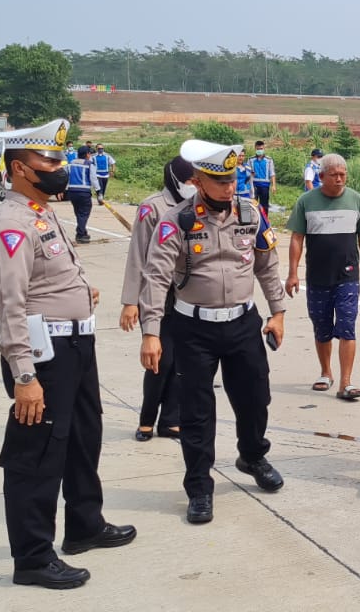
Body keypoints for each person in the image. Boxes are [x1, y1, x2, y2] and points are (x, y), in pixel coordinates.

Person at [0, 118, 135, 590]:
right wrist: (24, 376)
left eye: (60, 159)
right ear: (21, 169)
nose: (59, 167)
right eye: (49, 160)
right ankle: (31, 556)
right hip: (43, 354)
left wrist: (81, 290)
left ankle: (85, 523)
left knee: (84, 438)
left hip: (75, 345)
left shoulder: (41, 214)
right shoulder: (11, 224)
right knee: (38, 454)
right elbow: (10, 305)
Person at [138, 139, 288, 524]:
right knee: (196, 412)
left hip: (242, 324)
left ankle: (252, 456)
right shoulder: (177, 219)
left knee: (256, 398)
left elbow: (267, 265)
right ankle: (199, 487)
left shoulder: (251, 213)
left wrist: (278, 312)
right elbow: (155, 276)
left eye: (232, 179)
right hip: (192, 328)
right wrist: (151, 331)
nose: (228, 187)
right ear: (199, 181)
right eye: (219, 181)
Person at [119, 157, 196, 443]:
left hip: (186, 296)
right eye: (189, 181)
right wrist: (130, 301)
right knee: (158, 361)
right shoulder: (152, 207)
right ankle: (147, 419)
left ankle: (170, 420)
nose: (193, 186)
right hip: (155, 297)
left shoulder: (195, 207)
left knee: (180, 363)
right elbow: (138, 255)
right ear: (175, 179)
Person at [284, 153, 360, 401]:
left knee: (347, 326)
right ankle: (326, 372)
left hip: (348, 276)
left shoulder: (356, 200)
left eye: (343, 174)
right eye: (334, 175)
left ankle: (346, 382)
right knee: (321, 327)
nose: (339, 179)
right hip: (317, 276)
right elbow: (297, 239)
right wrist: (293, 273)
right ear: (321, 176)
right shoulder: (306, 201)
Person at [66, 148, 99, 244]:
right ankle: (80, 234)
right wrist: (98, 191)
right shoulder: (89, 164)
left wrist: (63, 189)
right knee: (84, 213)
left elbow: (65, 176)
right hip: (84, 192)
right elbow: (93, 179)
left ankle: (84, 232)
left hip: (72, 192)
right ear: (87, 154)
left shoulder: (70, 163)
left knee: (78, 213)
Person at [250, 140, 276, 211]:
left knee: (264, 206)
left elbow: (272, 173)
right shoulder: (251, 160)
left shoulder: (269, 160)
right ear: (255, 149)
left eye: (261, 149)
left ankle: (264, 221)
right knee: (253, 205)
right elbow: (248, 172)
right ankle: (254, 221)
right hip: (253, 186)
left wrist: (273, 185)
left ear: (264, 149)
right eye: (258, 149)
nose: (259, 150)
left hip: (264, 186)